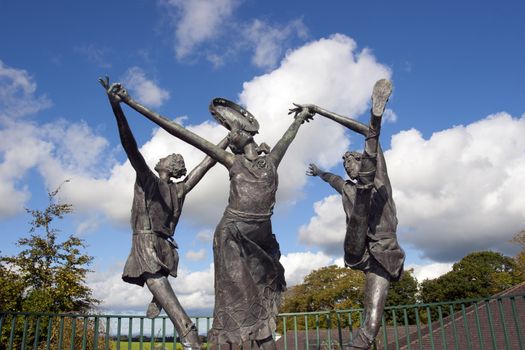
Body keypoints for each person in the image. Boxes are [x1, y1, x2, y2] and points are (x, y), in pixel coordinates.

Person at [104, 81, 314, 349]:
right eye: (229, 131)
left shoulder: (267, 161)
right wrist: (126, 106)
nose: (231, 132)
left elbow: (286, 139)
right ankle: (217, 337)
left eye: (233, 132)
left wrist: (299, 120)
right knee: (234, 291)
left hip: (256, 233)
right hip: (228, 233)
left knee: (260, 287)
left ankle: (252, 336)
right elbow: (174, 133)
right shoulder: (227, 164)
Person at [100, 77, 229, 349]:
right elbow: (207, 163)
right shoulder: (180, 189)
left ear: (169, 166)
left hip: (147, 241)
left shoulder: (148, 179)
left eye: (166, 157)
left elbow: (129, 145)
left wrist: (117, 108)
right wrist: (229, 137)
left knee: (158, 285)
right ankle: (159, 299)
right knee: (158, 284)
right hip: (165, 245)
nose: (160, 158)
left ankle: (189, 335)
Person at [305, 79, 405, 350]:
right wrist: (319, 173)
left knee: (371, 323)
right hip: (359, 250)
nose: (349, 165)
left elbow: (368, 134)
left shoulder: (378, 174)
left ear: (362, 160)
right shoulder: (347, 187)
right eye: (346, 163)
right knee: (356, 191)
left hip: (383, 252)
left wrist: (323, 111)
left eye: (353, 161)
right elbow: (332, 178)